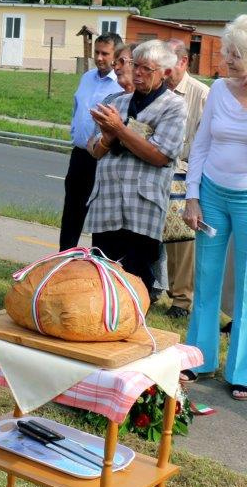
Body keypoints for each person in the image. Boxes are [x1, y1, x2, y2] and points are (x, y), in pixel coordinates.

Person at [84, 40, 187, 294]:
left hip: (142, 208)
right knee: (104, 278)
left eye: (146, 69)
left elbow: (160, 155)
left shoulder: (174, 106)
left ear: (165, 72)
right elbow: (95, 150)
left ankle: (135, 325)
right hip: (107, 204)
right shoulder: (117, 102)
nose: (138, 73)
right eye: (136, 66)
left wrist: (120, 130)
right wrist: (108, 139)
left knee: (136, 281)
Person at [181, 16, 247, 399]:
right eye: (228, 53)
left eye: (238, 54)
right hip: (211, 195)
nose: (229, 60)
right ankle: (200, 358)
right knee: (205, 278)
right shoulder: (219, 90)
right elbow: (201, 145)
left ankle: (240, 371)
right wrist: (192, 197)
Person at [59, 33, 122, 250]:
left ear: (116, 56)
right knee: (71, 211)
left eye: (105, 53)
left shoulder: (120, 85)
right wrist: (75, 131)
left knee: (101, 216)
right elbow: (77, 108)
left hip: (104, 157)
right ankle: (64, 258)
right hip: (79, 156)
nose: (100, 57)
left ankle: (98, 266)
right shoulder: (86, 77)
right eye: (97, 52)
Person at [162, 39, 211, 319]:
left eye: (168, 64)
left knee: (181, 238)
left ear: (183, 62)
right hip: (159, 168)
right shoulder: (161, 91)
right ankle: (151, 286)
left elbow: (206, 145)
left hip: (187, 173)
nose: (164, 71)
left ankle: (182, 300)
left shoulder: (200, 94)